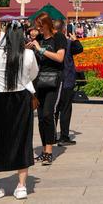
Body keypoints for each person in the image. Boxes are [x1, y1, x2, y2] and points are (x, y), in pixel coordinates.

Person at [0, 23, 38, 201]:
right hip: (21, 99)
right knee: (22, 139)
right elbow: (33, 74)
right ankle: (21, 186)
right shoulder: (28, 54)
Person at [26, 14, 67, 164]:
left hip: (53, 79)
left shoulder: (59, 38)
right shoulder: (39, 40)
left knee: (49, 114)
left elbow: (59, 58)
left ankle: (49, 150)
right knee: (41, 117)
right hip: (38, 81)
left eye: (40, 26)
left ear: (47, 24)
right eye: (36, 26)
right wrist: (28, 50)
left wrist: (40, 49)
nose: (38, 29)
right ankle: (44, 149)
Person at [55, 19, 83, 147]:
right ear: (64, 30)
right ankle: (64, 136)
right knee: (65, 109)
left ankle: (52, 136)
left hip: (52, 81)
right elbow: (79, 49)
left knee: (53, 110)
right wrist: (75, 39)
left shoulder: (49, 43)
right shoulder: (68, 43)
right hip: (66, 80)